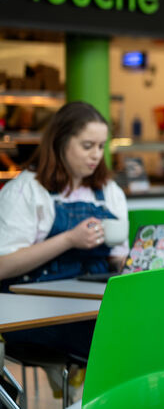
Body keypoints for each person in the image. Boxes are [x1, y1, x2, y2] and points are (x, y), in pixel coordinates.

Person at [0, 101, 128, 384]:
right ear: (60, 142)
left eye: (101, 146)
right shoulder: (25, 190)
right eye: (87, 146)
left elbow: (118, 259)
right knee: (124, 337)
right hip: (34, 313)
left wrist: (136, 261)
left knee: (148, 325)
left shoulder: (108, 191)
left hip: (92, 306)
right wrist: (69, 239)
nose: (97, 155)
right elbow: (3, 266)